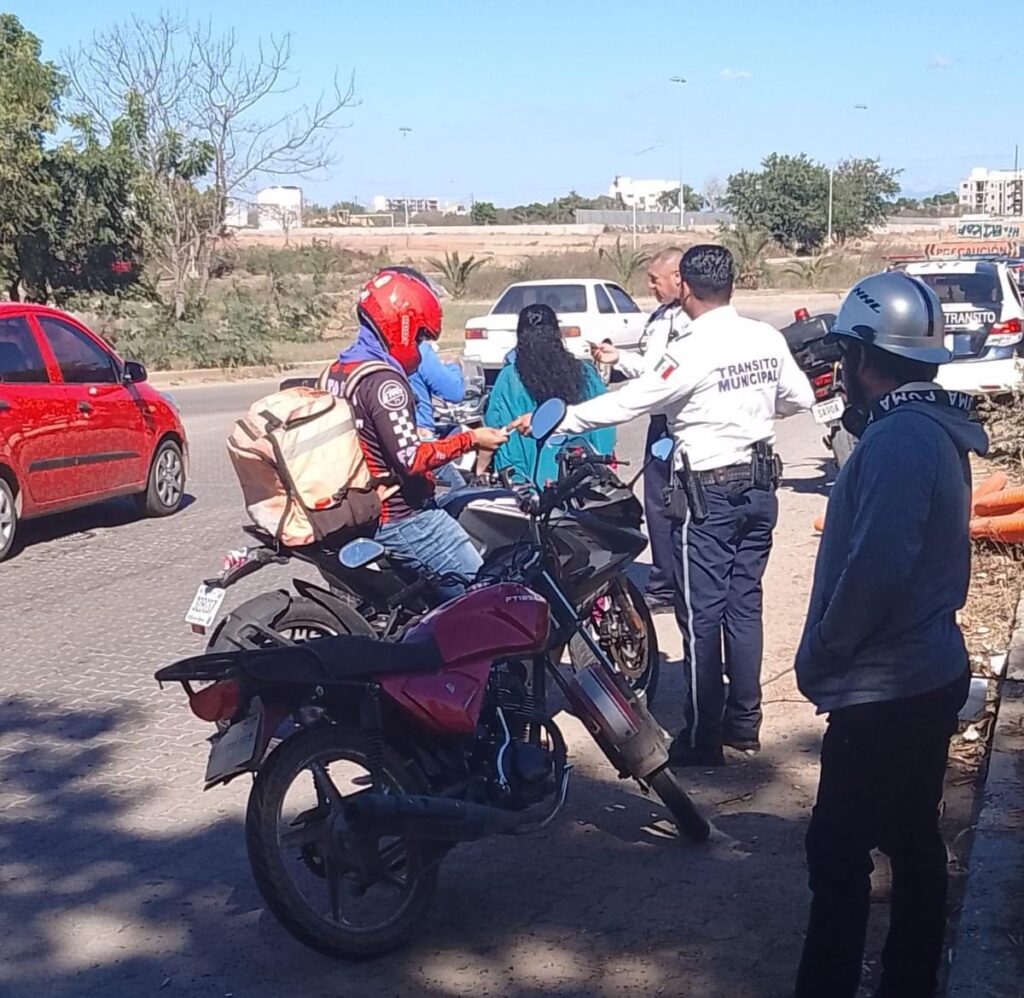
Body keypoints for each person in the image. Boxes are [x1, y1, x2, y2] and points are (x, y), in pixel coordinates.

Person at [517, 245, 814, 765]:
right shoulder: (764, 337)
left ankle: (702, 735)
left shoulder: (692, 347)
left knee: (701, 613)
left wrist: (564, 419)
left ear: (688, 289)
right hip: (760, 486)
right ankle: (744, 722)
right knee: (745, 603)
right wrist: (749, 412)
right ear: (732, 284)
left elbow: (635, 400)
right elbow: (797, 397)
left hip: (709, 490)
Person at [793, 271, 986, 998]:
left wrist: (825, 653)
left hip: (888, 685)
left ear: (865, 355)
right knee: (911, 835)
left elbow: (875, 571)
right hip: (918, 674)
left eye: (845, 353)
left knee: (838, 854)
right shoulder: (922, 428)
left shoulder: (901, 439)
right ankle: (910, 978)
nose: (840, 367)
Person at [323, 270, 507, 594]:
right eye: (420, 335)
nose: (420, 344)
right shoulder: (384, 382)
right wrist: (472, 439)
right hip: (407, 519)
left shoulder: (339, 370)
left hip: (365, 513)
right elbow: (411, 459)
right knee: (488, 599)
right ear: (402, 323)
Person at [592, 247, 687, 613]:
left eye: (654, 279)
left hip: (678, 424)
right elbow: (650, 365)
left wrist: (626, 362)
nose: (649, 286)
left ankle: (673, 585)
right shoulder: (660, 316)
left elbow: (662, 374)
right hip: (659, 422)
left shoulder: (689, 321)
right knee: (658, 505)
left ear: (678, 277)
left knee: (673, 504)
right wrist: (619, 358)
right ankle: (666, 582)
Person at [480, 304, 614, 485]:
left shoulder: (509, 378)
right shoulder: (584, 372)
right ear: (557, 333)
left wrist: (480, 469)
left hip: (528, 480)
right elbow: (605, 417)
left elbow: (494, 425)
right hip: (581, 474)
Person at [410, 339, 467, 489]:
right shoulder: (418, 350)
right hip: (420, 441)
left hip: (387, 439)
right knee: (460, 495)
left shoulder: (374, 350)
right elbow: (454, 392)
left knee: (453, 429)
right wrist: (453, 365)